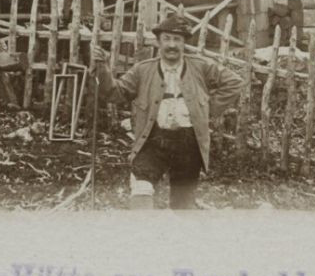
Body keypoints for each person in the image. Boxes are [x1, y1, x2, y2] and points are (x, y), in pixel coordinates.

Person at [92, 13, 245, 210]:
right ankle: (142, 235)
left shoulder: (200, 66)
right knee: (141, 189)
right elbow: (116, 93)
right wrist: (102, 68)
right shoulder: (143, 70)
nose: (172, 45)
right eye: (166, 39)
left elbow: (234, 83)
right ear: (158, 42)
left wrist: (207, 109)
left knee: (182, 205)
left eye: (177, 40)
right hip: (153, 140)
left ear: (184, 43)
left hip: (189, 143)